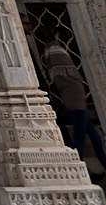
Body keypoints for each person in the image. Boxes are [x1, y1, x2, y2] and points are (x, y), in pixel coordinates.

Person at [43, 28, 106, 172]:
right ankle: (78, 169)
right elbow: (65, 74)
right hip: (73, 96)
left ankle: (99, 164)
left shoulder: (52, 50)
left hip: (74, 96)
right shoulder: (54, 50)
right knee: (79, 138)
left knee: (95, 138)